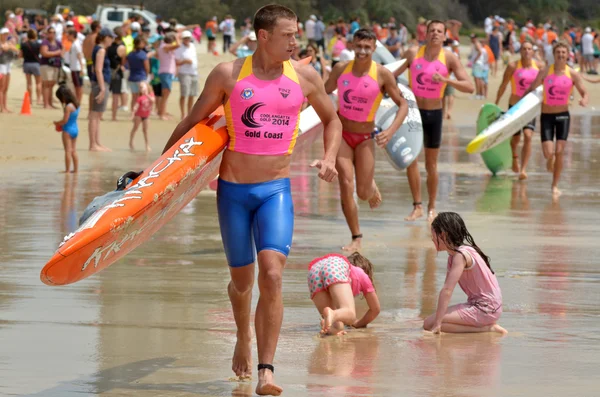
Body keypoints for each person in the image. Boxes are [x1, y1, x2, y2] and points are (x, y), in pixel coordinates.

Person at [161, 5, 341, 395]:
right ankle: (242, 333)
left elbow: (332, 118)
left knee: (272, 275)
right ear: (264, 36)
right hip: (233, 194)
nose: (296, 41)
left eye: (296, 34)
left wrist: (328, 158)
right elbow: (192, 124)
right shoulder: (228, 75)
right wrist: (156, 177)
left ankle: (267, 371)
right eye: (288, 35)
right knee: (242, 283)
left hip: (275, 192)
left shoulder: (305, 77)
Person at [325, 28, 408, 252]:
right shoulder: (341, 69)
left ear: (374, 48)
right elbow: (322, 92)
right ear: (352, 46)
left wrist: (390, 131)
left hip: (364, 138)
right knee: (345, 183)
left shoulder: (381, 75)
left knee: (362, 193)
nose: (362, 51)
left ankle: (370, 185)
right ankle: (356, 236)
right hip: (341, 134)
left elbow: (404, 105)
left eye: (367, 47)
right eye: (358, 46)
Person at [394, 20, 474, 222]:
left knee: (431, 165)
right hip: (413, 114)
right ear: (425, 34)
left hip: (434, 114)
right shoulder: (413, 53)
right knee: (411, 160)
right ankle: (417, 206)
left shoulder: (449, 58)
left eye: (439, 31)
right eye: (432, 31)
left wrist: (447, 80)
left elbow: (469, 86)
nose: (435, 34)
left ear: (445, 36)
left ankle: (431, 207)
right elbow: (390, 75)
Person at [424, 212, 507, 334]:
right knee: (434, 323)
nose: (431, 238)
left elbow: (447, 290)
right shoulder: (457, 254)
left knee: (430, 323)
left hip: (485, 308)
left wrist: (437, 324)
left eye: (433, 234)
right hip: (489, 307)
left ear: (443, 235)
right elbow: (447, 288)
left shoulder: (460, 255)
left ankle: (487, 328)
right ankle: (486, 327)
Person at [524, 42, 588, 198]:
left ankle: (554, 185)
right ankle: (549, 159)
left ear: (567, 55)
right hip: (546, 116)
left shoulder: (572, 74)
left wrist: (584, 100)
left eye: (563, 52)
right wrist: (520, 106)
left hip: (563, 116)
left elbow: (584, 92)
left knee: (560, 151)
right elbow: (532, 87)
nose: (561, 55)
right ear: (554, 54)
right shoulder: (545, 72)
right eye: (558, 52)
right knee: (548, 153)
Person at [495, 42, 543, 180]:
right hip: (514, 106)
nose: (527, 51)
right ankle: (514, 156)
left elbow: (545, 85)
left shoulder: (539, 67)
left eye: (529, 49)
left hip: (530, 107)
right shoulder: (512, 66)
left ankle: (523, 169)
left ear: (533, 52)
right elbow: (503, 85)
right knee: (515, 138)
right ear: (520, 51)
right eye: (524, 49)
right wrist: (496, 103)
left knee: (528, 136)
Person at [308, 252, 380, 336]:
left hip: (314, 270)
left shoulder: (343, 269)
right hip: (333, 266)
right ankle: (333, 314)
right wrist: (357, 323)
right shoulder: (362, 274)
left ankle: (327, 326)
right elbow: (375, 309)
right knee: (350, 314)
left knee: (336, 327)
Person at [89, 28, 116, 152]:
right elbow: (98, 70)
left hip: (98, 83)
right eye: (111, 37)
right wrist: (102, 88)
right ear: (106, 37)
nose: (112, 40)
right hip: (100, 84)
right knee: (95, 115)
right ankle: (93, 144)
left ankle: (97, 142)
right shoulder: (101, 50)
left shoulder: (98, 49)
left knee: (97, 115)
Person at [53, 84, 80, 173]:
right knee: (73, 151)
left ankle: (67, 170)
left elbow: (65, 120)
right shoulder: (76, 104)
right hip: (75, 129)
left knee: (67, 151)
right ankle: (76, 170)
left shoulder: (68, 107)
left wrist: (57, 123)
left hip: (67, 130)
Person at [175, 31, 198, 120]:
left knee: (192, 94)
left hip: (194, 72)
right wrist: (185, 61)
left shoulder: (192, 46)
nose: (187, 40)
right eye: (185, 38)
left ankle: (189, 113)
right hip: (184, 73)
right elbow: (176, 62)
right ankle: (183, 113)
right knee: (184, 94)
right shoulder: (179, 48)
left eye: (188, 38)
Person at [157, 32, 180, 120]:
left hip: (167, 72)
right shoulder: (165, 47)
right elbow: (178, 45)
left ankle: (163, 112)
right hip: (165, 72)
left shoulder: (163, 47)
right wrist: (177, 36)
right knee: (165, 94)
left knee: (166, 94)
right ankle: (162, 114)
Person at [107, 28, 128, 121]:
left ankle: (98, 114)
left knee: (106, 93)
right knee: (116, 95)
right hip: (117, 72)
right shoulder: (122, 47)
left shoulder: (109, 46)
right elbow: (123, 60)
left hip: (107, 71)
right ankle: (113, 116)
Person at [39, 26, 62, 109]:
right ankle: (46, 104)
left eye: (53, 32)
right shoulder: (45, 42)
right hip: (46, 65)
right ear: (47, 34)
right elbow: (44, 53)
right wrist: (56, 53)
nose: (52, 34)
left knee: (51, 85)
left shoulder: (58, 42)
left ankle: (50, 102)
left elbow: (63, 51)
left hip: (55, 65)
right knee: (46, 84)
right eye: (50, 32)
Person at [126, 37, 149, 113]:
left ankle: (133, 112)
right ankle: (140, 112)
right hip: (141, 77)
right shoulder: (142, 54)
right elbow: (146, 67)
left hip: (132, 77)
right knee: (142, 96)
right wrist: (147, 75)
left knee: (134, 97)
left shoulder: (130, 54)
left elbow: (128, 65)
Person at [20, 29, 42, 106]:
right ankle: (39, 99)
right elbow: (41, 53)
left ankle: (30, 99)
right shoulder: (38, 44)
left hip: (27, 63)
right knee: (38, 83)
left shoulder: (24, 44)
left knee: (29, 83)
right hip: (36, 63)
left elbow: (20, 55)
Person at [129, 81, 154, 152]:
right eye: (140, 88)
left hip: (146, 116)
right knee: (135, 128)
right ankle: (131, 142)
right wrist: (132, 114)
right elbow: (136, 106)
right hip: (138, 115)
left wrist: (147, 95)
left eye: (142, 87)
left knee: (145, 131)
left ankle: (147, 145)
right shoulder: (140, 97)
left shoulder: (151, 94)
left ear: (146, 87)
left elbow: (153, 101)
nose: (141, 89)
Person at [0, 27, 18, 113]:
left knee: (6, 88)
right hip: (1, 65)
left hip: (7, 65)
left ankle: (5, 106)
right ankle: (2, 107)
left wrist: (10, 46)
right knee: (1, 87)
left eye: (7, 34)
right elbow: (5, 48)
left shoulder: (8, 43)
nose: (6, 36)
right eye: (4, 34)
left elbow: (16, 50)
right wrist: (8, 46)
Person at [66, 28, 85, 104]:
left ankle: (78, 101)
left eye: (68, 35)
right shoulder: (74, 44)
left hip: (77, 68)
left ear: (72, 35)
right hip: (74, 67)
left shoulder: (76, 44)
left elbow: (79, 55)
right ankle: (77, 100)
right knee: (76, 85)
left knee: (78, 86)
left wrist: (82, 68)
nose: (67, 37)